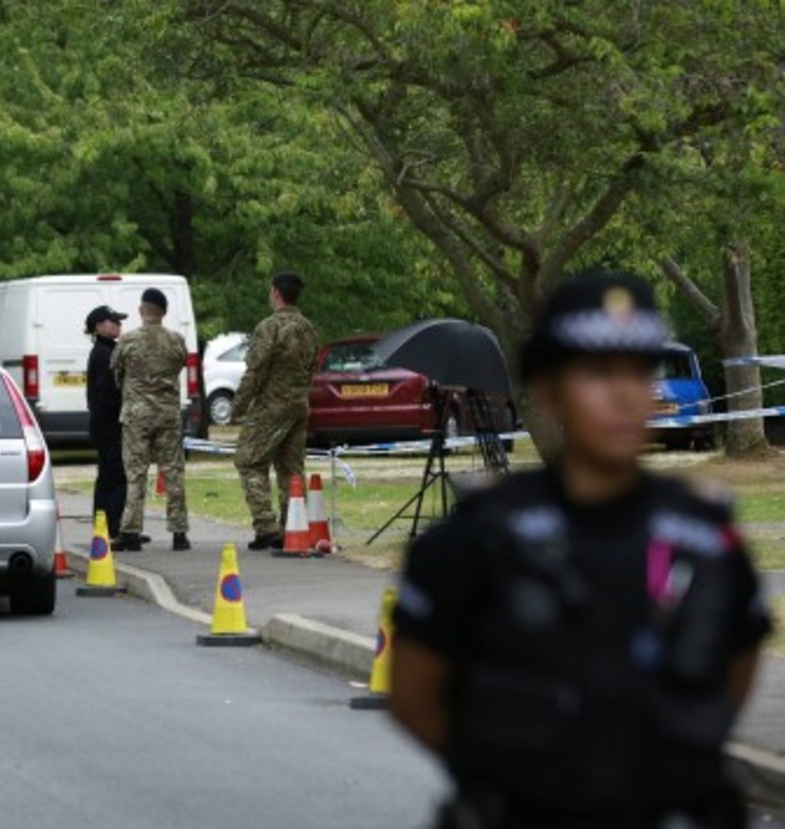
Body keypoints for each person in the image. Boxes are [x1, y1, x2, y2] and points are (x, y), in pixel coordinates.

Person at [390, 271, 772, 829]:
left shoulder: (706, 536)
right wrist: (517, 774)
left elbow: (734, 673)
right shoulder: (476, 537)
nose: (624, 393)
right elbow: (414, 696)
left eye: (640, 371)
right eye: (597, 371)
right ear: (549, 390)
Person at [232, 272, 319, 550]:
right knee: (291, 470)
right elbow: (311, 368)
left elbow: (255, 371)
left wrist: (239, 407)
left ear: (275, 293)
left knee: (248, 462)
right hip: (298, 405)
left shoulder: (270, 327)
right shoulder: (308, 328)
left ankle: (266, 526)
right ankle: (293, 527)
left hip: (271, 406)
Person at [111, 288, 190, 552]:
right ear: (164, 312)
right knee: (173, 471)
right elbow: (180, 366)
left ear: (141, 310)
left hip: (137, 415)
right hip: (168, 414)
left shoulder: (128, 341)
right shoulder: (177, 340)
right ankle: (179, 533)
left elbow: (117, 374)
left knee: (136, 473)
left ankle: (131, 531)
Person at [84, 304, 129, 547]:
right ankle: (114, 528)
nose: (119, 325)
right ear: (99, 326)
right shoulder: (104, 354)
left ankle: (104, 526)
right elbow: (108, 393)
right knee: (117, 476)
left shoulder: (106, 350)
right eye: (113, 321)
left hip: (105, 424)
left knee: (107, 475)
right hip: (110, 424)